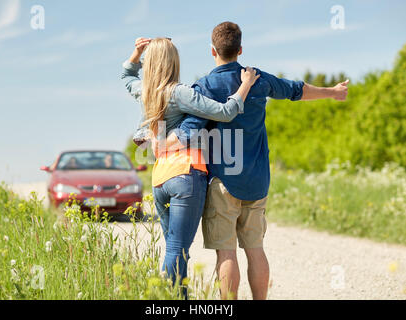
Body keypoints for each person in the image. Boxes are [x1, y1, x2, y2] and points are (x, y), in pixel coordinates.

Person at [163, 21, 349, 300]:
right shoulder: (258, 79)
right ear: (240, 50)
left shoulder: (206, 86)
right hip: (258, 182)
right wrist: (332, 92)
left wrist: (159, 143)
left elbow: (190, 131)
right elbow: (295, 90)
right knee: (255, 249)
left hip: (223, 182)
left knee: (226, 252)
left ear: (213, 51)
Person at [121, 37, 260, 298]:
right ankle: (169, 300)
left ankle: (178, 299)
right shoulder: (179, 92)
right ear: (174, 62)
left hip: (160, 179)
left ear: (149, 63)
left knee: (175, 248)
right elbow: (226, 111)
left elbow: (126, 76)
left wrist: (136, 53)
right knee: (177, 249)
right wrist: (244, 85)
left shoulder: (145, 91)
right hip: (185, 174)